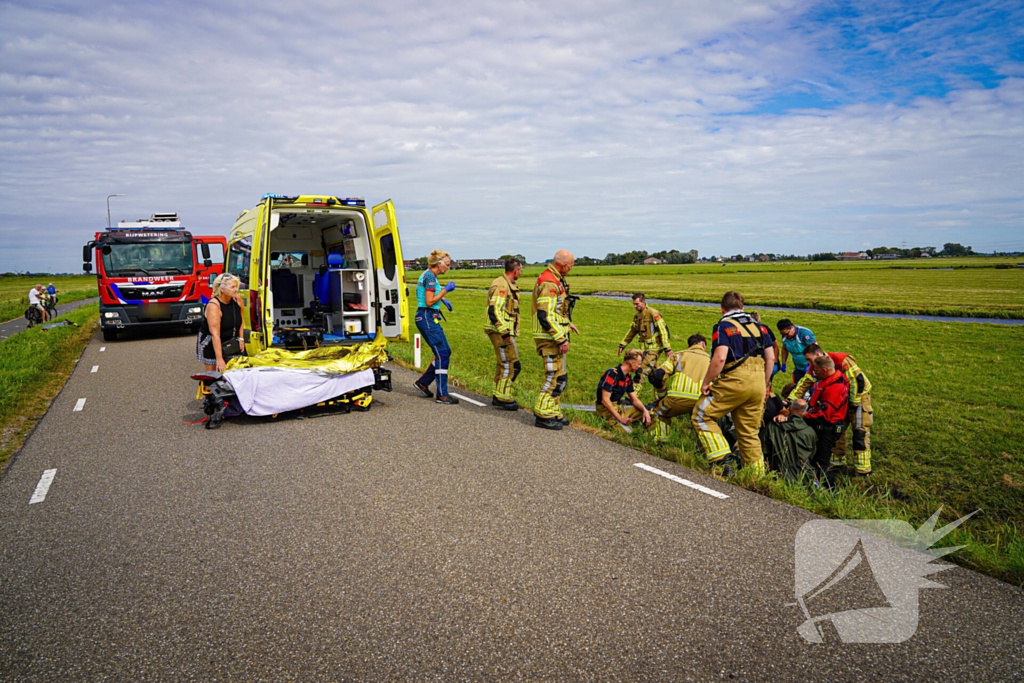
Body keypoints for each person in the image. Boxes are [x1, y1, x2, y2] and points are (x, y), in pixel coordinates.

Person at [691, 291, 775, 477]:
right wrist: (765, 383)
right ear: (742, 308)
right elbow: (771, 358)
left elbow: (720, 358)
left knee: (701, 415)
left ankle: (722, 461)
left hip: (734, 380)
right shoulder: (762, 328)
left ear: (722, 309)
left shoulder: (723, 326)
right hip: (759, 383)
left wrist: (707, 382)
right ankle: (757, 477)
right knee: (749, 432)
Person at [788, 343, 874, 476]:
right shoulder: (815, 367)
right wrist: (789, 401)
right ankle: (837, 462)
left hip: (858, 397)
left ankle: (863, 469)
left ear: (817, 354)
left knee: (859, 431)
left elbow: (857, 382)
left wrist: (854, 404)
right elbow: (803, 384)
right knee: (837, 428)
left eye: (809, 359)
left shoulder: (842, 360)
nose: (808, 363)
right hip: (839, 399)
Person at [532, 250, 580, 430]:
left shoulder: (554, 279)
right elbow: (545, 314)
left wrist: (567, 323)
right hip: (549, 338)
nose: (572, 268)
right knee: (553, 376)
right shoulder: (549, 282)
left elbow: (556, 311)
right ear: (564, 265)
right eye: (571, 265)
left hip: (554, 335)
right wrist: (560, 339)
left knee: (560, 376)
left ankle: (553, 411)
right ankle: (543, 414)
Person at [413, 250, 459, 405]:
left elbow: (430, 293)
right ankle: (442, 395)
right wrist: (446, 290)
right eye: (446, 265)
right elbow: (429, 301)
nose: (448, 268)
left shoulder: (429, 275)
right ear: (438, 264)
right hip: (427, 316)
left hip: (427, 317)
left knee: (445, 351)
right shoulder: (431, 276)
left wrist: (443, 298)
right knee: (442, 354)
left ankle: (423, 383)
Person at [647, 333, 710, 444]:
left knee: (660, 413)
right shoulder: (712, 359)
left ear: (688, 346)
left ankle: (661, 442)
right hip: (702, 402)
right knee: (704, 422)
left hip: (676, 400)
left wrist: (662, 396)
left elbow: (659, 375)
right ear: (704, 345)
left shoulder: (679, 355)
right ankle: (703, 448)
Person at [802, 354, 850, 488]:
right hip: (828, 425)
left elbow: (824, 417)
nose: (814, 374)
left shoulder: (833, 388)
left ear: (824, 370)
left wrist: (804, 416)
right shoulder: (836, 377)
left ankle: (829, 489)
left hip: (828, 427)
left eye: (816, 371)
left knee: (821, 461)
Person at [484, 258, 523, 410]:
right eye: (520, 270)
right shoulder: (502, 285)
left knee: (503, 362)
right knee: (511, 363)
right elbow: (494, 310)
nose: (520, 273)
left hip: (500, 329)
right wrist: (504, 331)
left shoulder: (506, 283)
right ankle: (503, 396)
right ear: (515, 270)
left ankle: (497, 393)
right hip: (500, 331)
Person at [618, 293, 671, 389]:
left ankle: (630, 400)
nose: (635, 306)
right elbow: (632, 331)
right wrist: (622, 345)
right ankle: (661, 399)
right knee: (655, 377)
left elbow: (664, 331)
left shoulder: (653, 314)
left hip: (654, 349)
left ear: (643, 302)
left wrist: (667, 349)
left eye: (637, 304)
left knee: (640, 372)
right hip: (644, 350)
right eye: (634, 304)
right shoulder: (637, 316)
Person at [596, 349, 652, 432]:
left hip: (619, 408)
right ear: (631, 363)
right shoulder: (611, 374)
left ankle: (651, 434)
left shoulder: (628, 377)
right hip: (606, 411)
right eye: (639, 364)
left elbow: (634, 399)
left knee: (652, 413)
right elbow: (605, 400)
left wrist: (645, 411)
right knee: (629, 433)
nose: (639, 367)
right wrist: (620, 418)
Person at [197, 274, 244, 372]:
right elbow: (215, 335)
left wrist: (241, 338)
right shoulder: (213, 306)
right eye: (232, 287)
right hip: (211, 342)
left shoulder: (237, 299)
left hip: (230, 340)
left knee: (234, 373)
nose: (236, 289)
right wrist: (219, 359)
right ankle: (206, 387)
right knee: (214, 376)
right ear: (222, 289)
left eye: (236, 287)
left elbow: (241, 320)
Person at [771, 399, 818, 482]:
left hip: (778, 475)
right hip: (804, 478)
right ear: (805, 413)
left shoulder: (774, 426)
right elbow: (812, 454)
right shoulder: (810, 432)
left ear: (789, 408)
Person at [776, 318, 816, 382]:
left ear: (792, 328)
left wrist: (810, 365)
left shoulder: (804, 333)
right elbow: (784, 349)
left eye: (786, 334)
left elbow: (814, 350)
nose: (785, 336)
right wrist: (784, 363)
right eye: (782, 334)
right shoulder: (785, 335)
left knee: (812, 390)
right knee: (796, 388)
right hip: (798, 367)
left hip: (812, 368)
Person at [751, 312, 780, 379]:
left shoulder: (764, 328)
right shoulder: (765, 328)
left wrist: (775, 362)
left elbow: (775, 346)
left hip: (763, 359)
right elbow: (776, 345)